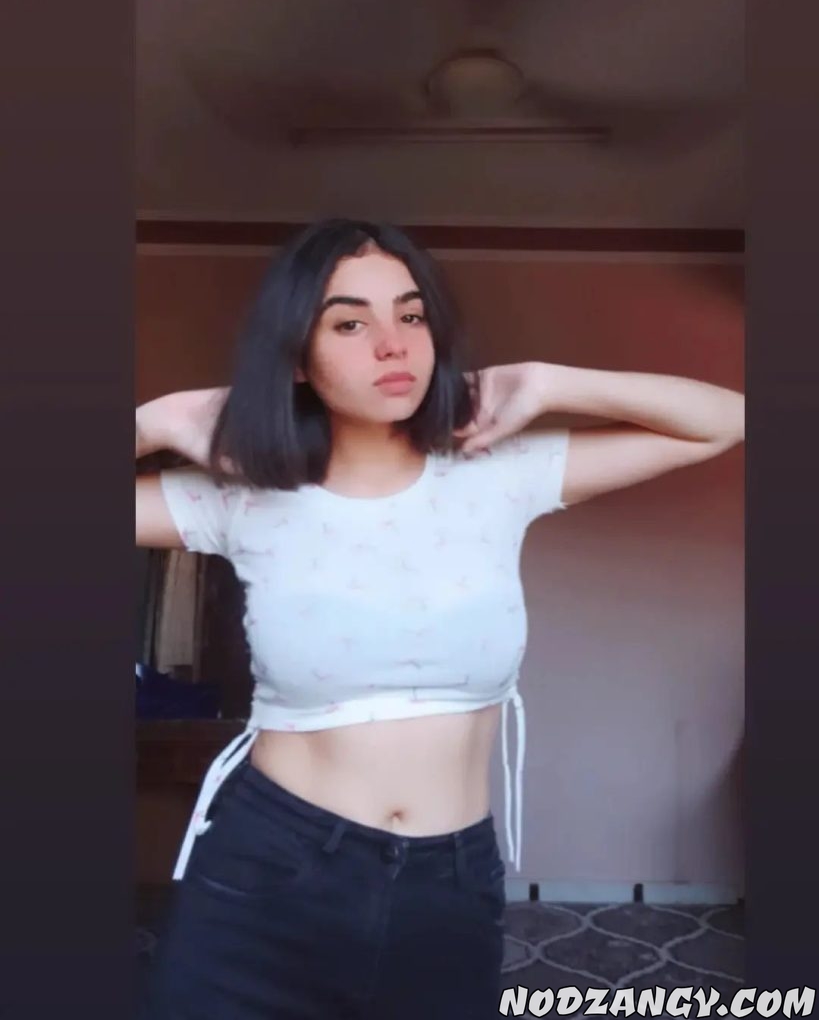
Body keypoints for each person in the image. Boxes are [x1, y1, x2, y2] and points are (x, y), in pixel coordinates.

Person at [136, 218, 744, 1019]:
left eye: (411, 314)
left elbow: (723, 418)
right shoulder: (244, 498)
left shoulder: (496, 471)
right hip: (268, 871)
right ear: (295, 357)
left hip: (449, 883)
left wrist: (548, 381)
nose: (393, 343)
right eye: (349, 323)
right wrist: (156, 420)